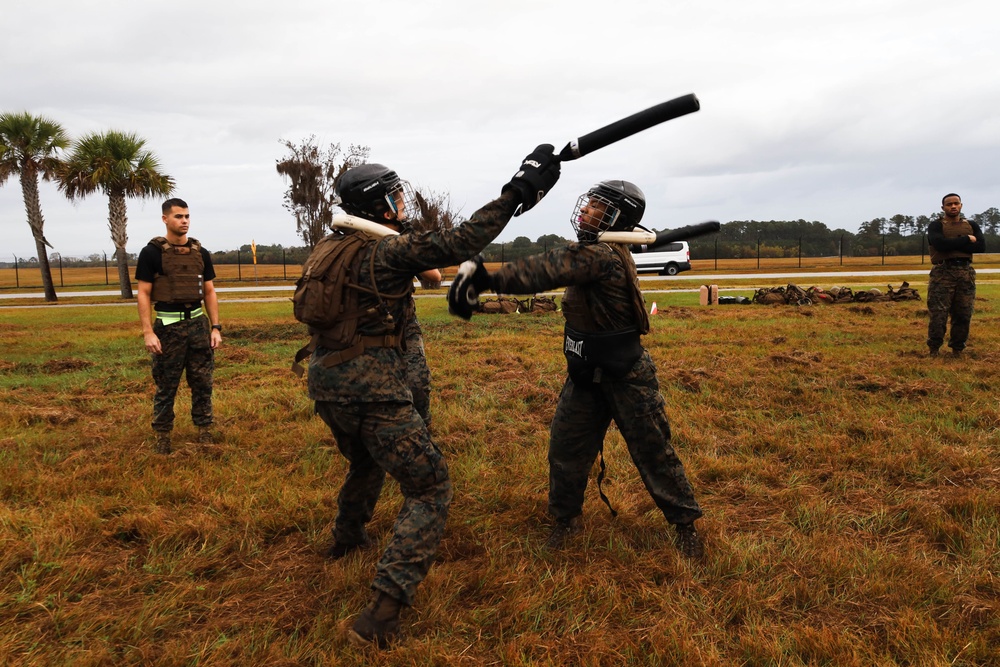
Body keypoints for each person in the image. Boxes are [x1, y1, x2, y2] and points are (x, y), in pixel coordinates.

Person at [308, 147, 559, 648]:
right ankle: (380, 615)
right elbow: (464, 239)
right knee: (429, 489)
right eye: (396, 197)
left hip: (327, 389)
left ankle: (347, 538)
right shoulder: (384, 251)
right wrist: (520, 190)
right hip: (375, 394)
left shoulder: (328, 246)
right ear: (379, 206)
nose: (402, 204)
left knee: (365, 462)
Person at [448, 180, 704, 558]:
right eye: (588, 205)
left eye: (596, 208)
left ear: (617, 217)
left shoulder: (602, 254)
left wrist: (487, 279)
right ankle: (566, 520)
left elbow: (549, 268)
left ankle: (686, 527)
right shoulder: (595, 250)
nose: (585, 211)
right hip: (585, 375)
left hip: (626, 375)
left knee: (653, 453)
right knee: (565, 451)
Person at [135, 198, 222, 455]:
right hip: (168, 328)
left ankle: (204, 432)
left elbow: (209, 291)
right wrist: (148, 331)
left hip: (198, 326)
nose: (184, 221)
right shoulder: (151, 253)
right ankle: (163, 436)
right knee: (166, 385)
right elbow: (143, 293)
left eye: (187, 216)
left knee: (203, 382)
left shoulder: (200, 253)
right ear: (165, 219)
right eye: (178, 216)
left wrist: (215, 327)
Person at [926, 193, 985, 357]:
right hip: (943, 273)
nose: (953, 206)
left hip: (965, 274)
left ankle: (957, 349)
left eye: (956, 203)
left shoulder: (971, 224)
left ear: (961, 205)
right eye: (949, 204)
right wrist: (966, 239)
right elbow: (940, 244)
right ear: (943, 207)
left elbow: (980, 247)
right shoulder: (936, 226)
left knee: (963, 313)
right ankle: (934, 349)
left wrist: (953, 245)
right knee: (939, 314)